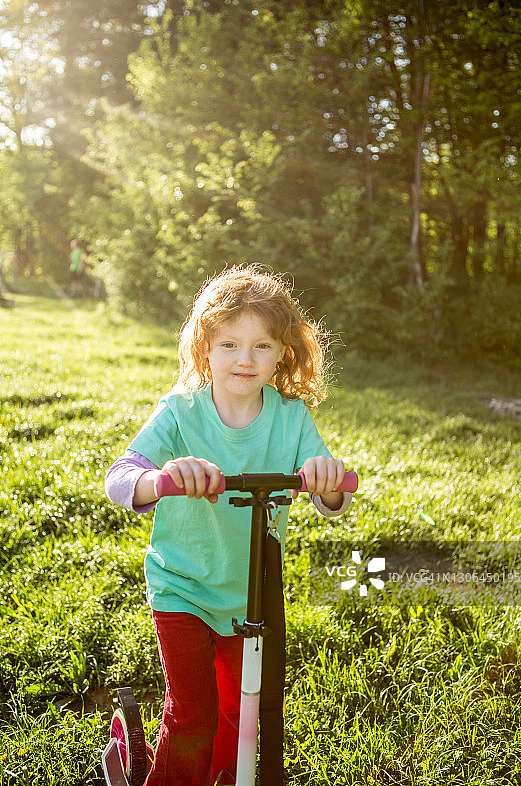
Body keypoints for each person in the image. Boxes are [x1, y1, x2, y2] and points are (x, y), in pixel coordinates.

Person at [105, 264, 352, 786]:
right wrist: (165, 476)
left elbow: (329, 494)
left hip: (253, 597)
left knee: (240, 718)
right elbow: (121, 478)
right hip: (184, 589)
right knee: (192, 717)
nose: (245, 359)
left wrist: (324, 477)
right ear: (205, 348)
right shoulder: (180, 412)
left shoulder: (291, 417)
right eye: (229, 344)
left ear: (284, 351)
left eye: (263, 345)